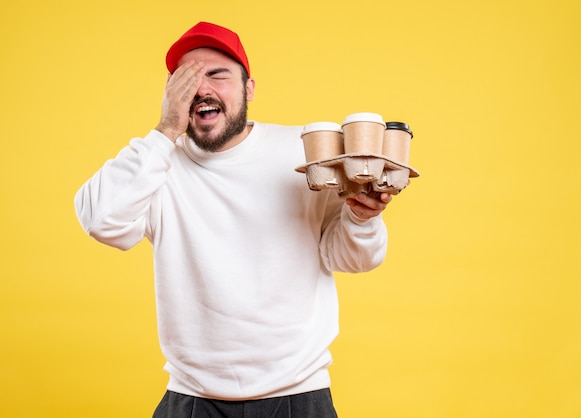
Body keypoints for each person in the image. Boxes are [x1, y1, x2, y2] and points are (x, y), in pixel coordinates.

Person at [75, 21, 394, 417]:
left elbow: (350, 258)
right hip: (192, 398)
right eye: (186, 79)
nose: (201, 89)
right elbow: (101, 221)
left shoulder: (305, 152)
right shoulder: (156, 165)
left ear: (249, 88)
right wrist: (165, 131)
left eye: (217, 74)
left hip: (298, 395)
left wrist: (361, 219)